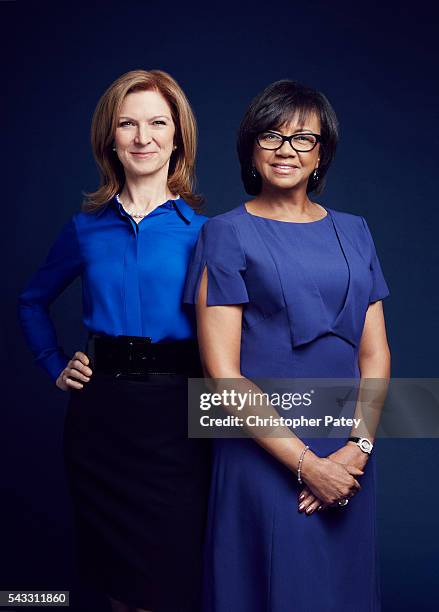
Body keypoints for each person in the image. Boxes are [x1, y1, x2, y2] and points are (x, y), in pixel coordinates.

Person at [183, 79, 391, 611]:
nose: (285, 149)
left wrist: (356, 451)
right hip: (264, 449)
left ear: (322, 153)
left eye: (303, 138)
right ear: (251, 148)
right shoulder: (225, 234)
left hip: (347, 455)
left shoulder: (356, 231)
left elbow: (375, 355)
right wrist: (306, 465)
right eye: (271, 135)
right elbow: (221, 375)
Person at [18, 69, 211, 612]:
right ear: (110, 137)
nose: (142, 137)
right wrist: (53, 362)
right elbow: (31, 301)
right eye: (127, 123)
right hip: (101, 421)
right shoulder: (85, 228)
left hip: (179, 419)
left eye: (157, 123)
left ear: (178, 137)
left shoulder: (207, 232)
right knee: (119, 584)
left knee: (173, 580)